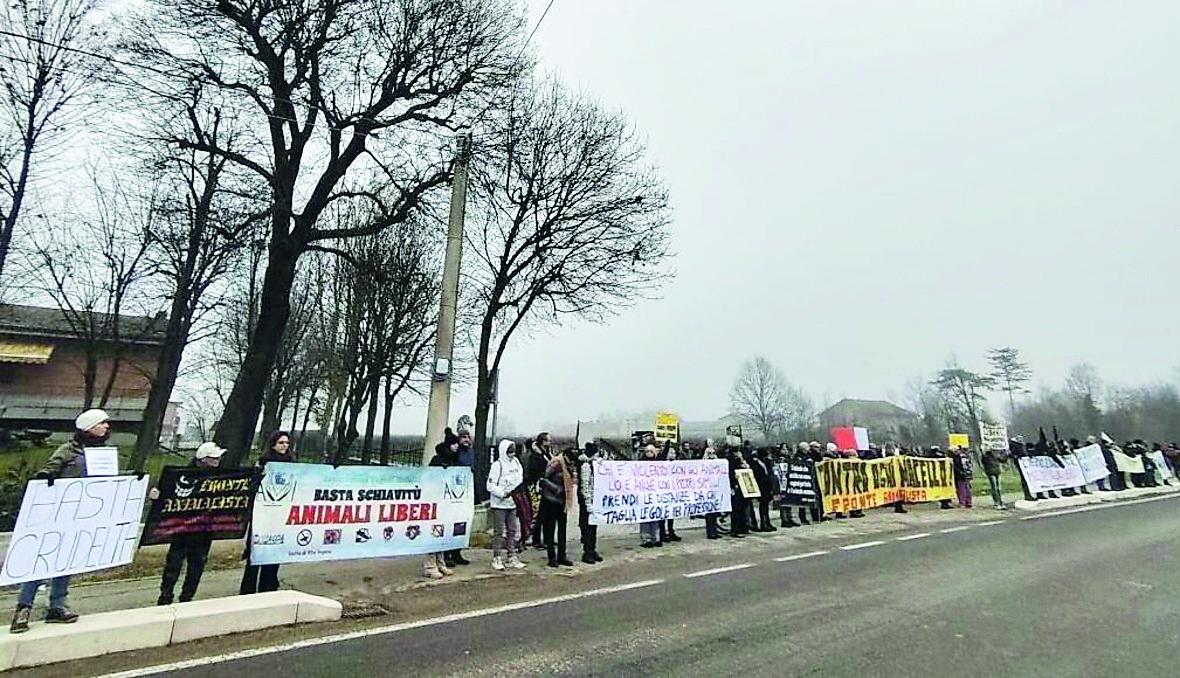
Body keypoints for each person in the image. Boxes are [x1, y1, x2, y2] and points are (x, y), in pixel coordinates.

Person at [10, 409, 110, 633]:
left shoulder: (103, 454)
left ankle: (57, 605)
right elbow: (50, 469)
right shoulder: (68, 450)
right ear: (88, 427)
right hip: (58, 515)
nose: (106, 427)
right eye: (102, 423)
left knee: (67, 561)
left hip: (82, 515)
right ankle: (23, 607)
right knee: (42, 561)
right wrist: (46, 479)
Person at [154, 442, 226, 605]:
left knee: (197, 565)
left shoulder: (220, 477)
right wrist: (157, 495)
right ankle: (166, 596)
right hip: (182, 529)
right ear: (203, 459)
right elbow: (166, 494)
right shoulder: (181, 475)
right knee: (174, 564)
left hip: (205, 530)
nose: (218, 461)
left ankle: (187, 597)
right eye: (214, 458)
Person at [242, 431, 294, 594]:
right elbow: (252, 486)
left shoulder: (291, 463)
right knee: (255, 552)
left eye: (287, 443)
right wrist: (260, 476)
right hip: (262, 515)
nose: (285, 446)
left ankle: (269, 586)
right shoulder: (263, 462)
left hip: (279, 516)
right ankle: (248, 589)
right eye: (281, 443)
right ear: (273, 444)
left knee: (274, 552)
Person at [423, 429, 460, 579]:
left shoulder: (454, 460)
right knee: (433, 532)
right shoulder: (437, 460)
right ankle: (430, 565)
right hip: (435, 501)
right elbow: (429, 479)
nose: (456, 446)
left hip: (447, 502)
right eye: (454, 444)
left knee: (443, 534)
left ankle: (440, 562)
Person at [486, 439, 526, 571]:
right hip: (499, 504)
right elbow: (490, 485)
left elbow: (520, 478)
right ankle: (496, 557)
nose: (512, 454)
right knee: (498, 532)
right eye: (509, 451)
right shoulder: (497, 465)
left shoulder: (516, 462)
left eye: (513, 451)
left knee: (512, 531)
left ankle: (511, 556)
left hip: (513, 503)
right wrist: (502, 493)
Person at [443, 429, 475, 567]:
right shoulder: (456, 454)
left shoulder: (471, 453)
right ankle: (446, 554)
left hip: (466, 492)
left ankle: (457, 552)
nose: (466, 440)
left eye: (468, 437)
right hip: (454, 492)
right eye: (463, 437)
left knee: (461, 524)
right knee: (450, 523)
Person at [539, 448, 575, 567]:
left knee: (562, 530)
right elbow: (543, 479)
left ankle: (562, 556)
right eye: (569, 460)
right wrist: (556, 489)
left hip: (563, 502)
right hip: (551, 500)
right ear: (565, 456)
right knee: (550, 530)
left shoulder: (569, 465)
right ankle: (552, 558)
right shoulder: (556, 463)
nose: (570, 463)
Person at [577, 442, 603, 564]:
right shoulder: (586, 467)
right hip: (588, 501)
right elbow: (585, 486)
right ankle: (587, 552)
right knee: (587, 527)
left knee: (593, 526)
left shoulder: (593, 465)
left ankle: (592, 550)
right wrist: (587, 503)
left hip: (594, 500)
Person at [525, 434, 552, 550]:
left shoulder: (547, 453)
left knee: (547, 514)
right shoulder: (536, 455)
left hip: (546, 487)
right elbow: (533, 471)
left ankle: (547, 538)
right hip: (536, 487)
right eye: (548, 440)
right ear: (543, 442)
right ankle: (536, 539)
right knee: (538, 514)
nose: (550, 442)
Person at [639, 444, 664, 547]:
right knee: (645, 517)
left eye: (651, 451)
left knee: (655, 516)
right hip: (644, 493)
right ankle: (646, 539)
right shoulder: (640, 463)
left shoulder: (658, 462)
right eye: (647, 451)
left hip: (655, 493)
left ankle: (656, 537)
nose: (649, 453)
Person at [659, 442, 682, 542]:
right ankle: (662, 533)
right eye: (670, 452)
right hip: (663, 492)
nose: (673, 454)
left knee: (671, 514)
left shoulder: (677, 464)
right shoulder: (661, 462)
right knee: (663, 515)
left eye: (674, 453)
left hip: (673, 492)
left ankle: (671, 532)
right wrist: (668, 440)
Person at [750, 448, 777, 532]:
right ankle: (763, 523)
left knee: (766, 505)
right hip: (761, 485)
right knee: (763, 505)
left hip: (767, 485)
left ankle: (767, 522)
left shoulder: (766, 462)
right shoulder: (756, 463)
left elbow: (769, 472)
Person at [981, 445, 1006, 510]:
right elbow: (983, 461)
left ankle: (1001, 502)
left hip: (997, 472)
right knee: (994, 488)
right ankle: (996, 502)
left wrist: (1004, 453)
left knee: (999, 488)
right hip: (991, 473)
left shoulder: (995, 455)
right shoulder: (985, 456)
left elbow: (1002, 460)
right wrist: (983, 452)